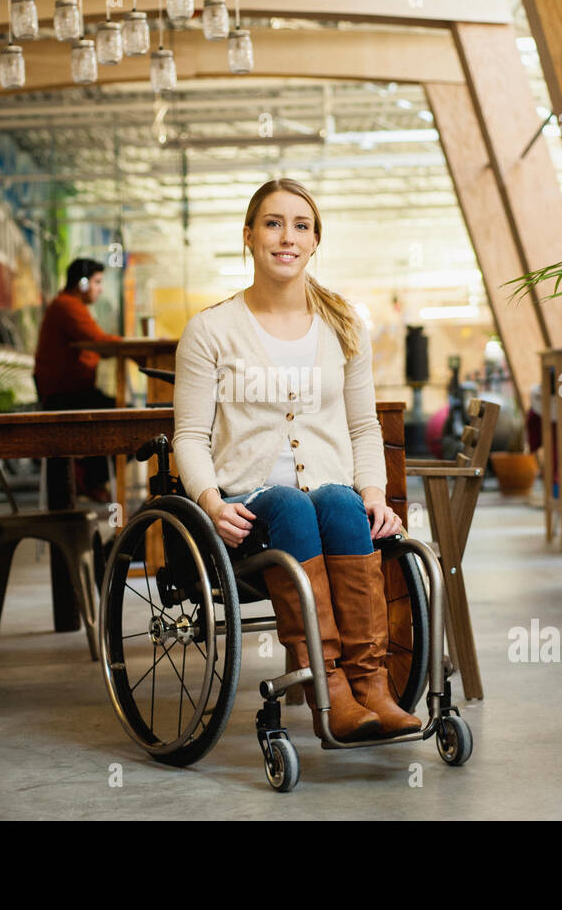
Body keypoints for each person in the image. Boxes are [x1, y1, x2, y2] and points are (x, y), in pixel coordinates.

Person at [172, 178, 419, 741]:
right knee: (290, 502)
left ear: (314, 242)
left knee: (335, 499)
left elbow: (363, 426)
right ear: (249, 236)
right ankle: (328, 687)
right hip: (248, 510)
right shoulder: (210, 330)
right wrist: (210, 502)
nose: (287, 237)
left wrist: (375, 494)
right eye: (273, 223)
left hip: (327, 504)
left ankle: (372, 685)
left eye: (301, 226)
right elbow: (189, 435)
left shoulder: (345, 327)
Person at [33, 257, 121, 505]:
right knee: (126, 417)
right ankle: (90, 478)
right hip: (65, 395)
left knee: (118, 412)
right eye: (97, 282)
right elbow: (98, 341)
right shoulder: (67, 306)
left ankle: (88, 475)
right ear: (82, 283)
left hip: (67, 392)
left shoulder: (69, 305)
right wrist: (126, 344)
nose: (100, 288)